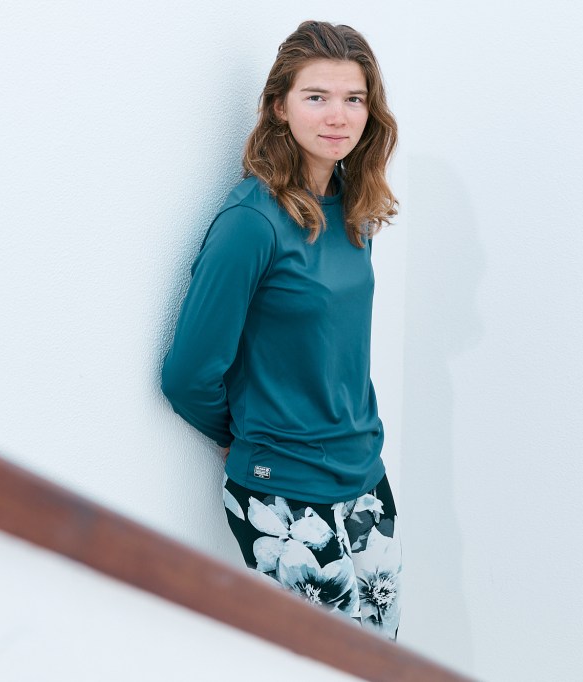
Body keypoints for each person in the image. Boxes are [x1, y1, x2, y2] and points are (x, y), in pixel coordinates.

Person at [161, 20, 402, 640]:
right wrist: (248, 438)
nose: (338, 116)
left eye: (353, 98)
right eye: (316, 97)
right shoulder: (252, 222)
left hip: (364, 474)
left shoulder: (353, 205)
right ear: (278, 105)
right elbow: (187, 374)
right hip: (284, 494)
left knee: (385, 661)